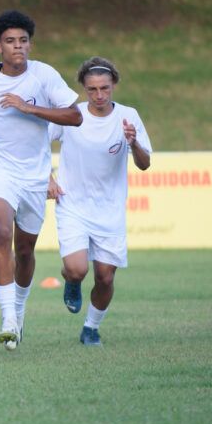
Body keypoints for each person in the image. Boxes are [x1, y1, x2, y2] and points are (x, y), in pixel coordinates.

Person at [0, 10, 82, 350]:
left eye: (24, 41)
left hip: (34, 176)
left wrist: (30, 109)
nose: (19, 47)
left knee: (25, 251)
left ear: (30, 45)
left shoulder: (44, 76)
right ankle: (8, 318)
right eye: (11, 42)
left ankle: (19, 309)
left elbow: (75, 116)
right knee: (2, 230)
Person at [47, 57, 151, 347]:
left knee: (105, 277)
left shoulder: (128, 116)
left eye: (104, 88)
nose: (99, 95)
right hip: (72, 203)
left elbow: (144, 163)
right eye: (92, 89)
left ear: (114, 85)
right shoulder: (71, 114)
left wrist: (134, 143)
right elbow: (38, 142)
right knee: (78, 269)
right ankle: (71, 279)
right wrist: (48, 177)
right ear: (83, 88)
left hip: (109, 209)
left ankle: (91, 328)